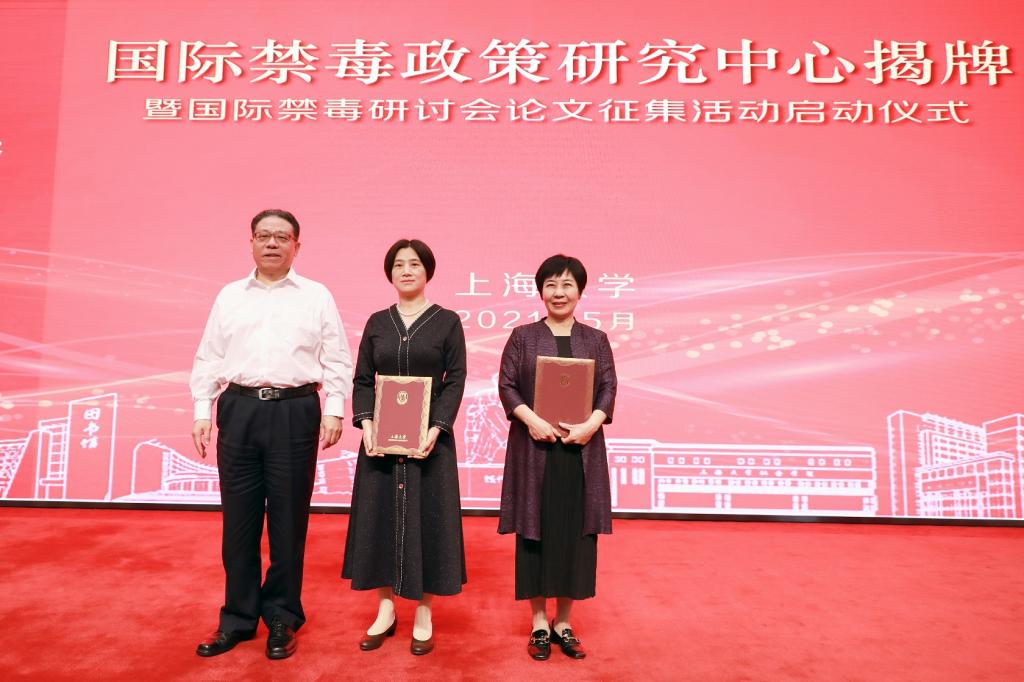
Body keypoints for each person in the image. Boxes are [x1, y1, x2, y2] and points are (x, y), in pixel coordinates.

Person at [189, 209, 353, 660]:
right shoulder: (229, 296)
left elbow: (337, 358)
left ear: (297, 246)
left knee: (288, 523)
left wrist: (334, 410)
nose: (272, 244)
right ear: (252, 243)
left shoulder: (316, 296)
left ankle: (282, 616)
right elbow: (209, 357)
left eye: (282, 237)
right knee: (238, 524)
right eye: (264, 236)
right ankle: (238, 618)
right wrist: (202, 410)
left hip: (295, 411)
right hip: (238, 409)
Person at [342, 239, 467, 656]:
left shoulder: (447, 321)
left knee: (430, 519)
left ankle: (424, 612)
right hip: (380, 440)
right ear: (389, 273)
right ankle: (385, 609)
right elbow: (362, 379)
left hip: (430, 441)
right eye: (399, 265)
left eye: (415, 264)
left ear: (428, 271)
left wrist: (437, 428)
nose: (407, 270)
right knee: (378, 518)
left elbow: (456, 379)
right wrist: (366, 423)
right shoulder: (378, 322)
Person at [497, 254, 617, 661]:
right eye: (551, 284)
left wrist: (591, 425)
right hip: (535, 449)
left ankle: (563, 622)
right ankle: (538, 623)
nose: (559, 292)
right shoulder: (523, 337)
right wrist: (531, 420)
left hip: (580, 451)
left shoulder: (596, 339)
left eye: (567, 284)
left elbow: (608, 388)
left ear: (580, 291)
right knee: (535, 532)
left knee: (574, 534)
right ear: (540, 291)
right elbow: (507, 386)